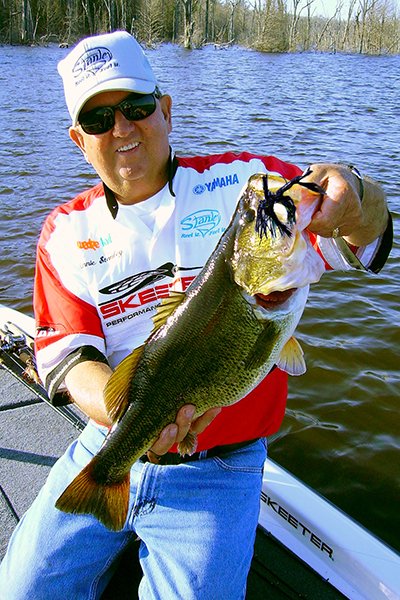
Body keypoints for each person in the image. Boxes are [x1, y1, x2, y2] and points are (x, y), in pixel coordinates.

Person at [0, 30, 392, 600]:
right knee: (20, 590)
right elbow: (68, 357)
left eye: (135, 107)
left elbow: (370, 237)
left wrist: (354, 192)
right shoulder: (65, 234)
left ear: (165, 109)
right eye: (99, 119)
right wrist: (134, 425)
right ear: (78, 140)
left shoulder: (247, 187)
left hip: (221, 470)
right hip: (108, 439)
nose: (123, 129)